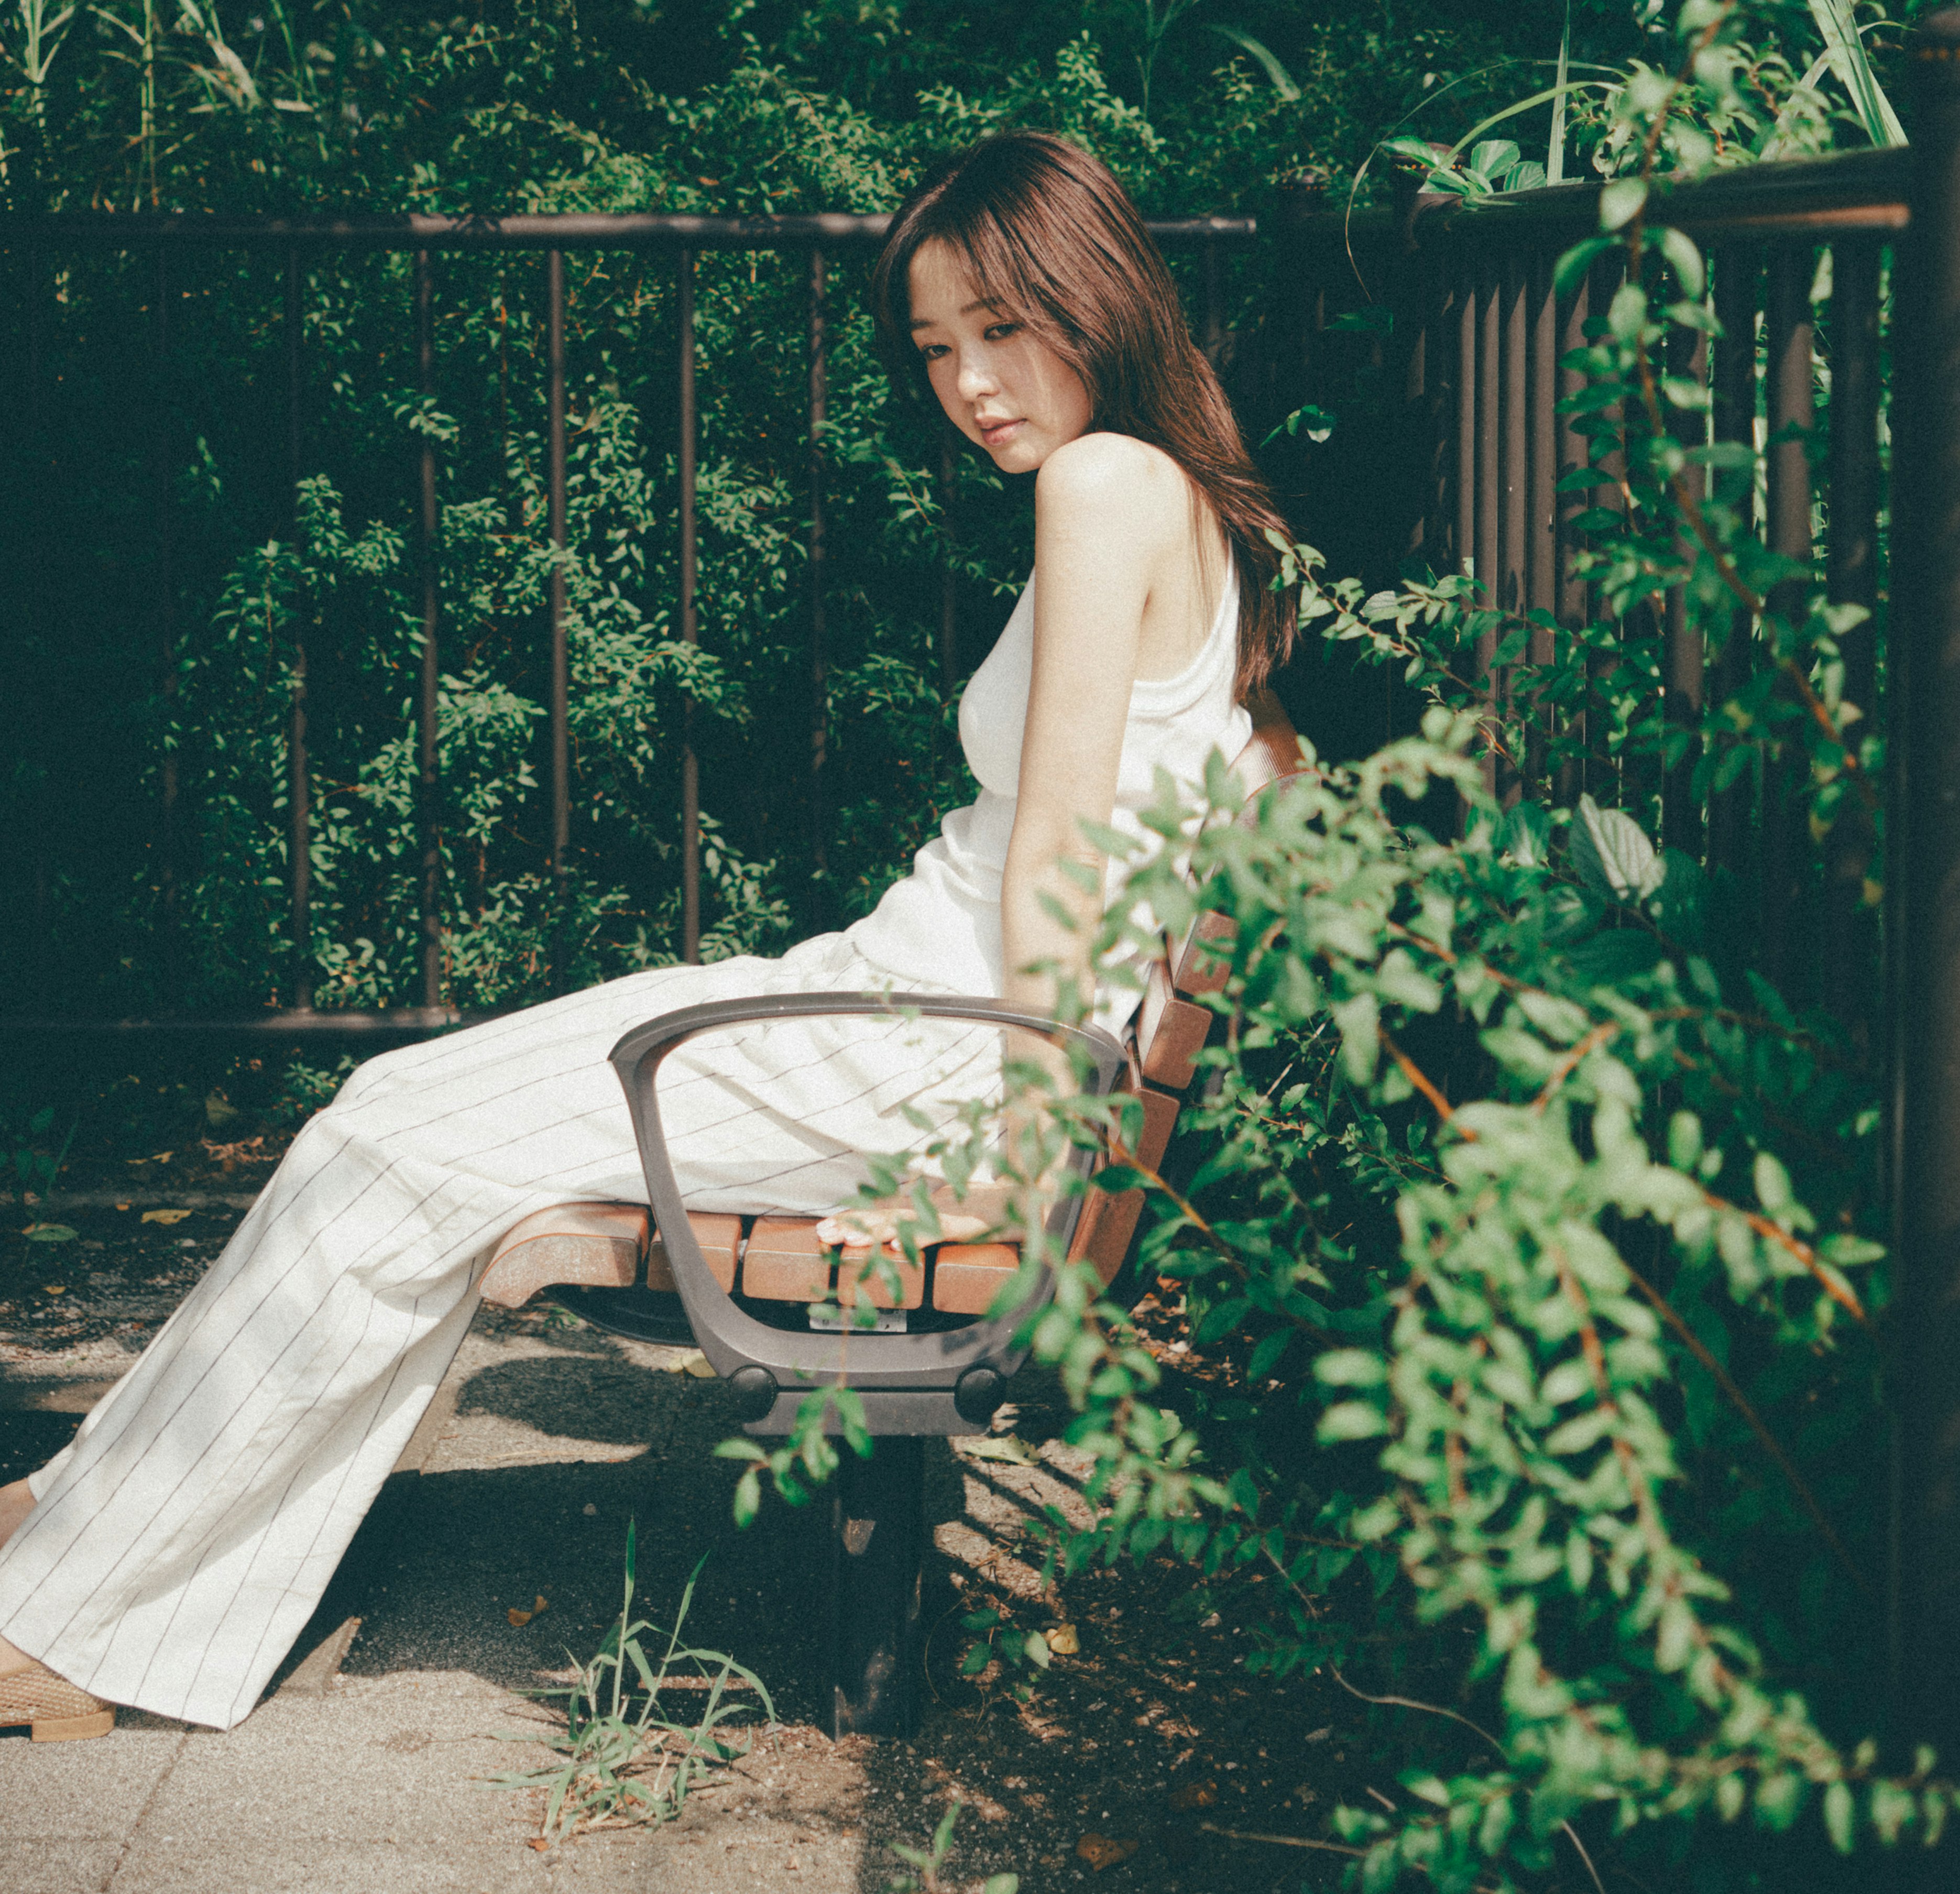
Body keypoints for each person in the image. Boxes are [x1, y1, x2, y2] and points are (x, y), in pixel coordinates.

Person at [0, 128, 1295, 1741]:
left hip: (943, 1048)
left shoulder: (1107, 485)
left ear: (1092, 297)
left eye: (1001, 328)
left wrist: (1023, 1130)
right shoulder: (1174, 497)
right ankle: (83, 1519)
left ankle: (83, 1621)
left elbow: (1048, 857)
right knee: (405, 1130)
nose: (970, 382)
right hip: (896, 1009)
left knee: (393, 1137)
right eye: (937, 347)